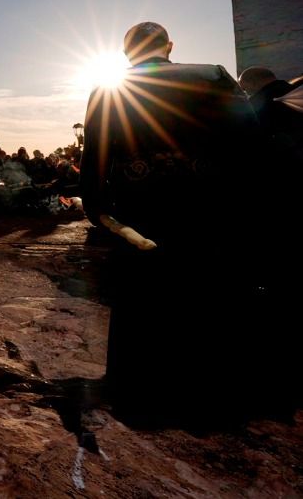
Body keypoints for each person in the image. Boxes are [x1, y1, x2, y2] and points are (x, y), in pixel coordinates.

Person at [80, 22, 266, 423]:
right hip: (208, 211)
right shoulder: (213, 75)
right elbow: (252, 145)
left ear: (126, 53)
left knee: (142, 303)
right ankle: (211, 390)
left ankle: (140, 393)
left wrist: (99, 210)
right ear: (169, 46)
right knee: (208, 297)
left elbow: (94, 162)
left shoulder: (108, 90)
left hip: (139, 214)